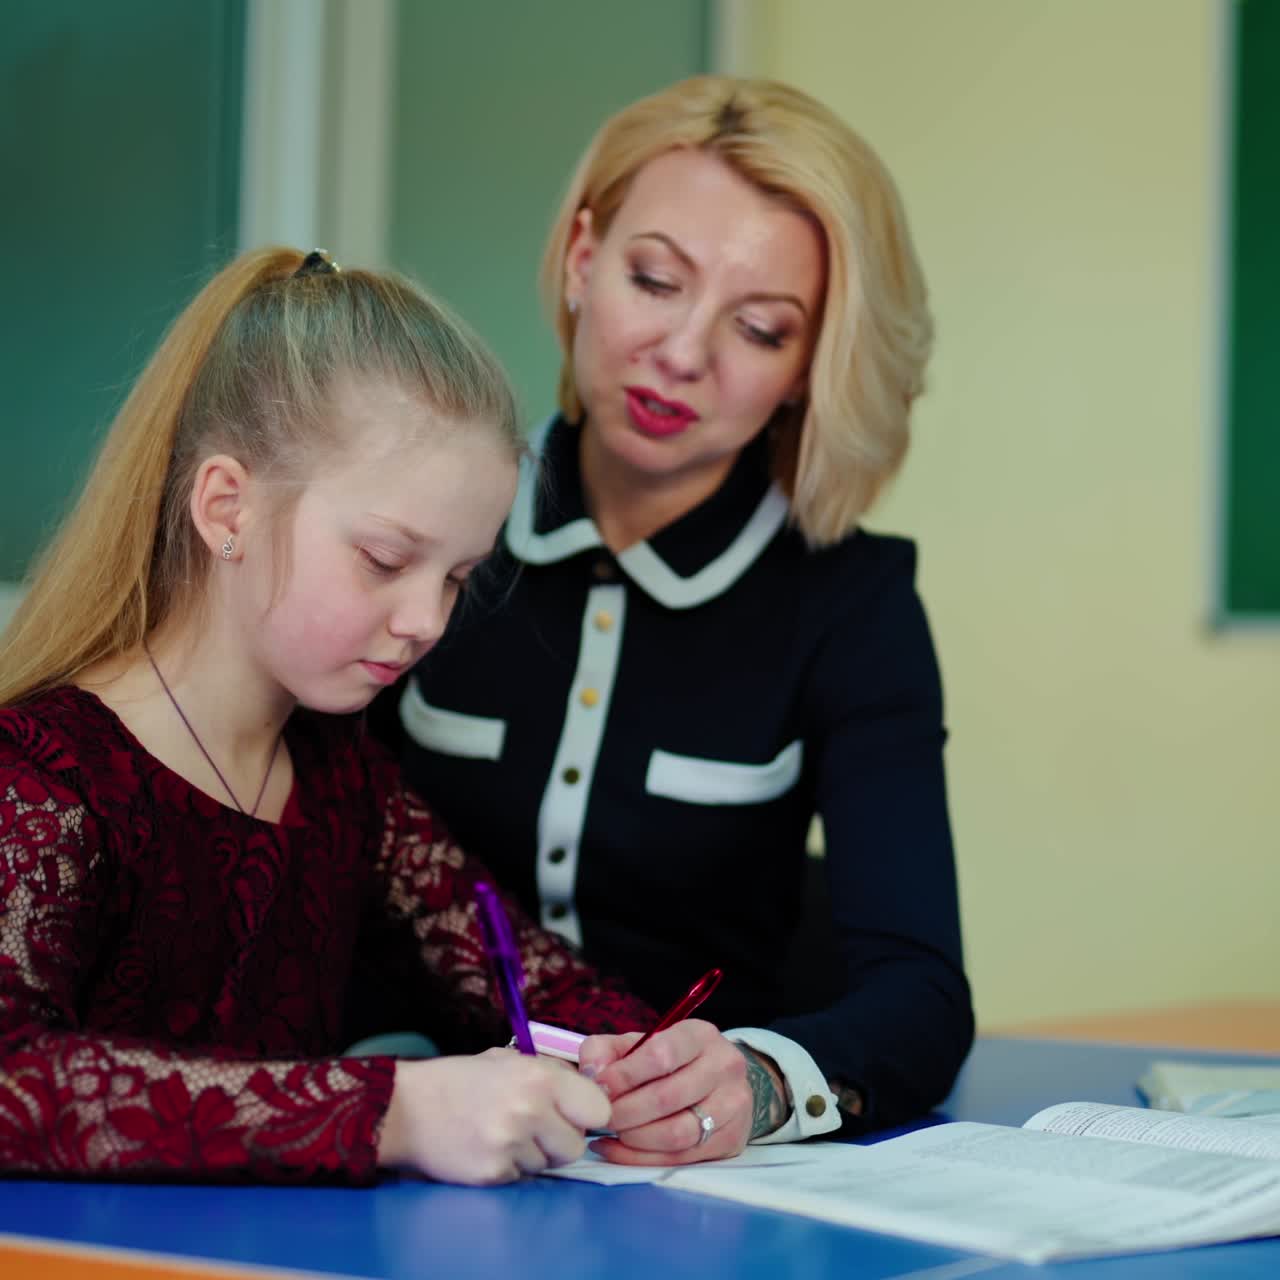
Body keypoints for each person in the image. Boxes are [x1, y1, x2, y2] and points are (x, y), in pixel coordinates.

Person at [0, 247, 780, 1186]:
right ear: (225, 507)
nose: (425, 623)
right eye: (382, 558)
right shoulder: (43, 779)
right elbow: (14, 1077)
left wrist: (663, 1062)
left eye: (455, 578)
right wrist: (394, 1111)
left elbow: (529, 983)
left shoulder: (343, 782)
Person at [390, 76, 975, 1138]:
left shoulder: (854, 603)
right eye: (654, 279)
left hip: (684, 1181)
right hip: (418, 1134)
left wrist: (755, 1083)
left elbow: (921, 996)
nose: (682, 352)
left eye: (758, 327)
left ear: (806, 368)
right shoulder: (422, 529)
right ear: (580, 260)